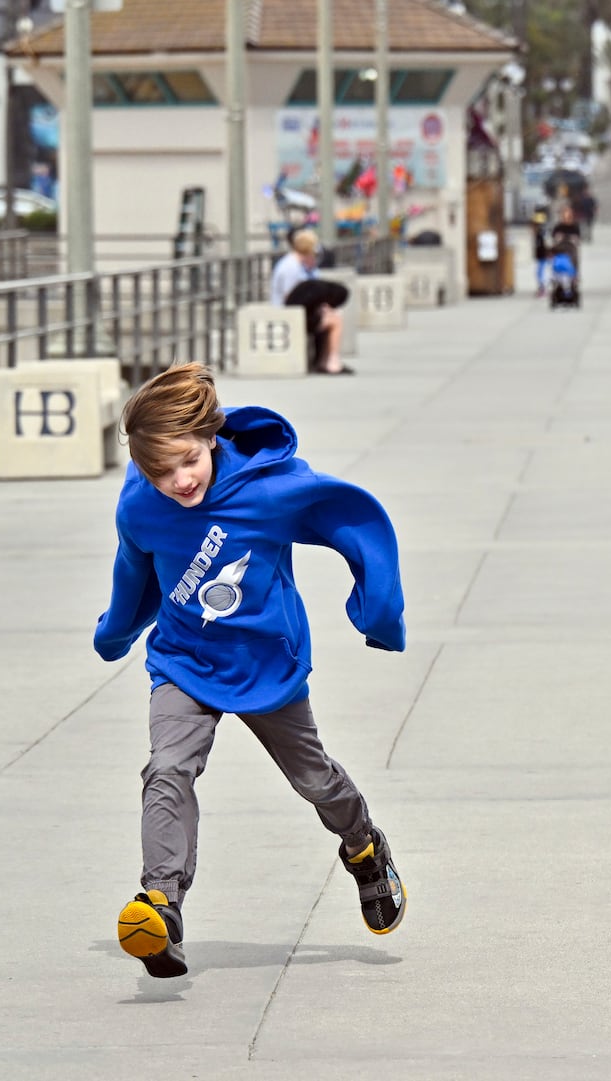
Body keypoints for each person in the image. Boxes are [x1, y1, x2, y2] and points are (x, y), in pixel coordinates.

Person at [96, 363, 408, 979]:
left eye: (187, 461)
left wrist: (378, 610)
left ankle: (364, 846)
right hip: (183, 662)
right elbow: (135, 572)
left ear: (210, 436)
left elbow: (351, 520)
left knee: (315, 781)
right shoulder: (140, 505)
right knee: (166, 769)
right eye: (159, 472)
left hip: (267, 665)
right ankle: (161, 907)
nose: (178, 480)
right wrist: (115, 630)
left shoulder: (267, 489)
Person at [269, 229, 350, 375]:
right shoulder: (290, 267)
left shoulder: (303, 264)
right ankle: (331, 362)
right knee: (335, 320)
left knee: (333, 314)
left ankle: (325, 360)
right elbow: (290, 299)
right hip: (288, 315)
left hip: (299, 311)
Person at [530, 208, 550, 297]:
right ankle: (542, 288)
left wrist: (548, 253)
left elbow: (546, 243)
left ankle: (543, 288)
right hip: (541, 255)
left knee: (541, 273)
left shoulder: (542, 232)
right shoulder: (540, 232)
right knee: (539, 272)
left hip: (543, 255)